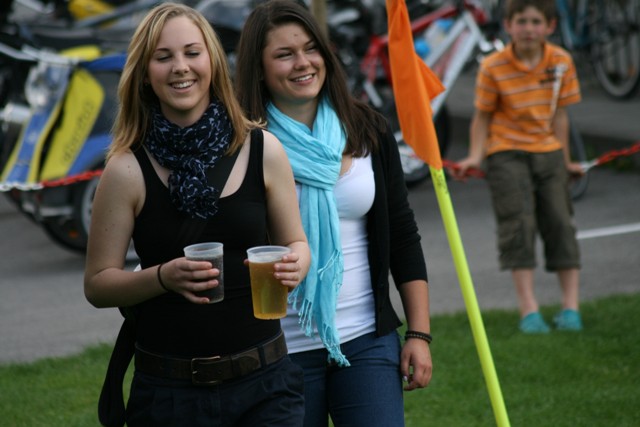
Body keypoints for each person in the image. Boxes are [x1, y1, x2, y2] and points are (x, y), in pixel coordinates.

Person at [84, 3, 310, 426]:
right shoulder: (126, 169)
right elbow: (97, 285)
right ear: (144, 73)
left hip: (266, 385)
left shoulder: (263, 149)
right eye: (163, 57)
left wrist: (298, 262)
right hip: (170, 395)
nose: (180, 67)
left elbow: (295, 242)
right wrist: (162, 277)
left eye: (192, 52)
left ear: (213, 62)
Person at [234, 1, 432, 426]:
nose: (303, 63)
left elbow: (402, 234)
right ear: (259, 69)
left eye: (311, 49)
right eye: (284, 54)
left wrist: (418, 332)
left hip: (366, 340)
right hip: (278, 349)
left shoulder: (368, 129)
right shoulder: (242, 145)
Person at [451, 0, 584, 333]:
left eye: (536, 21)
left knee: (561, 224)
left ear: (550, 26)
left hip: (549, 152)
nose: (528, 28)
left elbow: (560, 116)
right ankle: (529, 310)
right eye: (521, 21)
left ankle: (571, 308)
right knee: (518, 226)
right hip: (506, 154)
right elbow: (482, 117)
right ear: (508, 26)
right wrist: (475, 156)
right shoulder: (492, 66)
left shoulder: (561, 62)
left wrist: (566, 160)